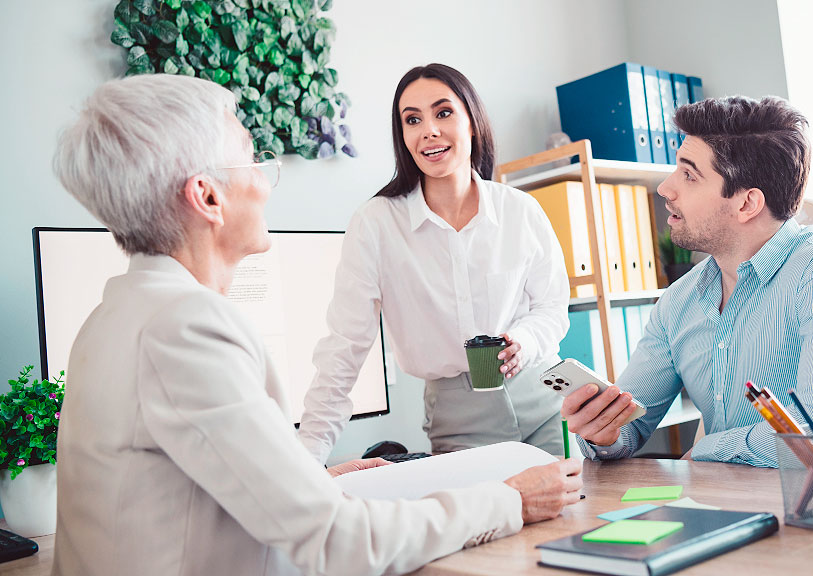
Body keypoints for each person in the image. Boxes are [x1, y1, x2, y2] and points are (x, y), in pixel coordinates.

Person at [50, 74, 582, 576]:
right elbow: (336, 539)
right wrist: (510, 500)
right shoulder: (185, 330)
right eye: (252, 160)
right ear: (208, 197)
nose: (265, 182)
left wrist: (306, 477)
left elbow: (195, 496)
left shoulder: (110, 318)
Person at [562, 96, 813, 467]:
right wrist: (603, 431)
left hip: (809, 497)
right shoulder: (679, 301)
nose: (665, 188)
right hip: (717, 496)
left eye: (689, 175)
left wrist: (707, 450)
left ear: (746, 204)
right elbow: (629, 424)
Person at [299, 64, 569, 461]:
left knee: (577, 498)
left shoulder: (520, 210)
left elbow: (552, 308)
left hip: (545, 398)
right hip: (459, 420)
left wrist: (524, 342)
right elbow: (344, 348)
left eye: (443, 113)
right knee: (489, 504)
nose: (428, 130)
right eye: (413, 120)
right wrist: (306, 460)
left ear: (472, 122)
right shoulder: (377, 224)